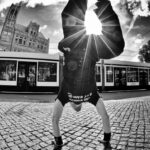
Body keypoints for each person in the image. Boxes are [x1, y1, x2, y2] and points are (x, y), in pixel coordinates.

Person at [52, 0, 125, 149]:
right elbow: (54, 119)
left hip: (90, 48)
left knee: (116, 46)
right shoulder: (64, 95)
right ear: (73, 105)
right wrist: (58, 139)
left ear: (80, 105)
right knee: (69, 15)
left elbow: (105, 117)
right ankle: (99, 6)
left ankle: (104, 6)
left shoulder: (91, 96)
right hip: (76, 45)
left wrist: (106, 138)